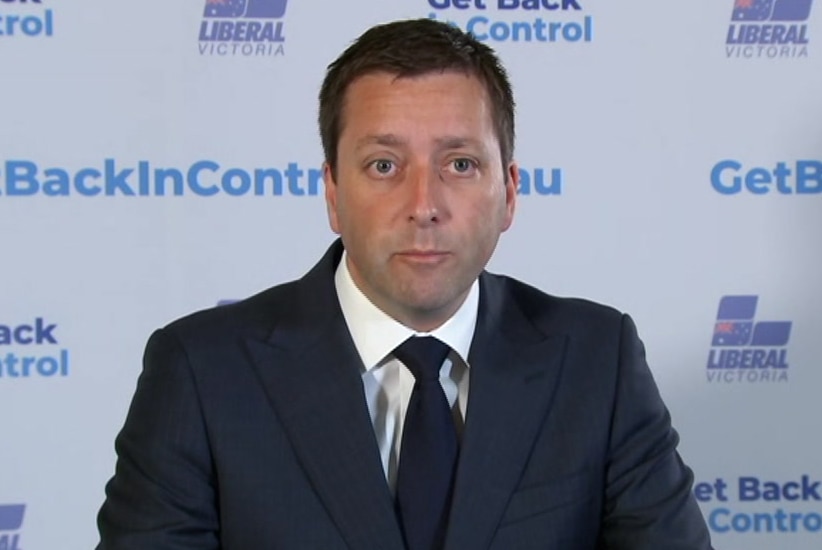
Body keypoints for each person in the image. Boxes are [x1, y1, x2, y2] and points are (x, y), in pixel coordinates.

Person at [96, 18, 714, 550]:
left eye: (461, 164)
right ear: (333, 193)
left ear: (510, 193)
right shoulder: (203, 373)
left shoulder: (596, 362)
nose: (424, 204)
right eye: (384, 166)